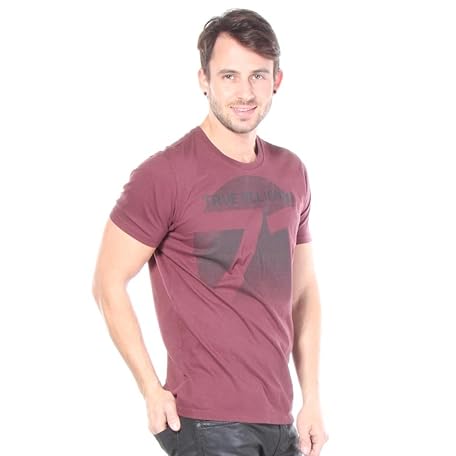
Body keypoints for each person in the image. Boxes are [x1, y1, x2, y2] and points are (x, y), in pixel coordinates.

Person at [92, 8, 328, 456]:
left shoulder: (291, 171)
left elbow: (303, 293)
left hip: (281, 423)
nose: (245, 92)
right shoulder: (164, 175)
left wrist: (311, 399)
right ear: (204, 79)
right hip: (206, 423)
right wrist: (151, 388)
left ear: (277, 80)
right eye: (229, 76)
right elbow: (107, 282)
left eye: (258, 75)